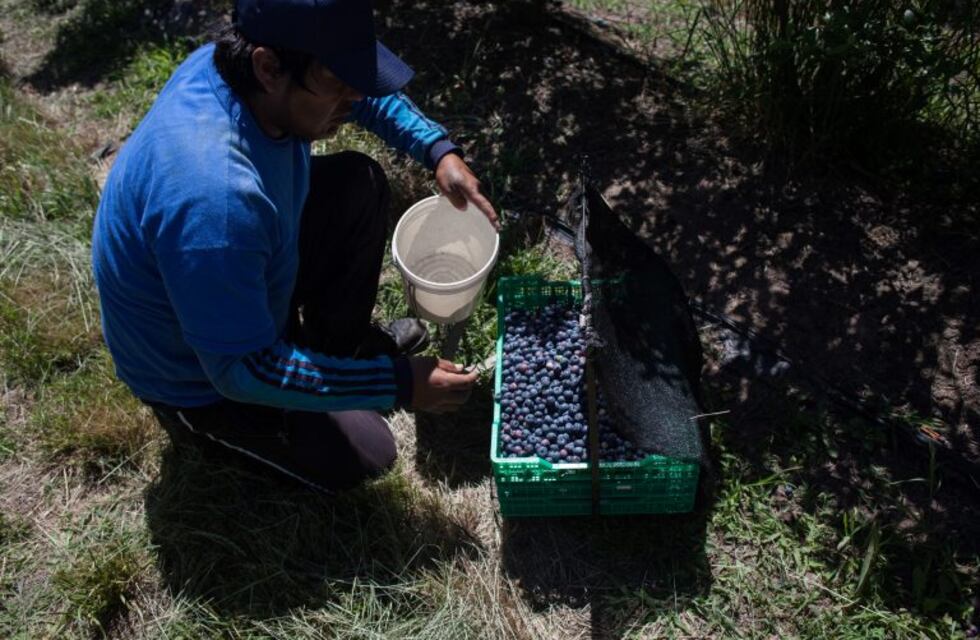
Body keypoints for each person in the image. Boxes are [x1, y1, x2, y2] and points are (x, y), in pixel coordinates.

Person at [91, 0, 498, 493]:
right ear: (268, 67)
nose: (354, 99)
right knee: (367, 455)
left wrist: (436, 150)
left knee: (357, 183)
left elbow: (359, 94)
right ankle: (221, 426)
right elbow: (240, 370)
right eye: (338, 81)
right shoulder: (214, 199)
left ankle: (338, 353)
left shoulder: (236, 71)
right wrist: (399, 384)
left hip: (241, 277)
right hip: (201, 376)